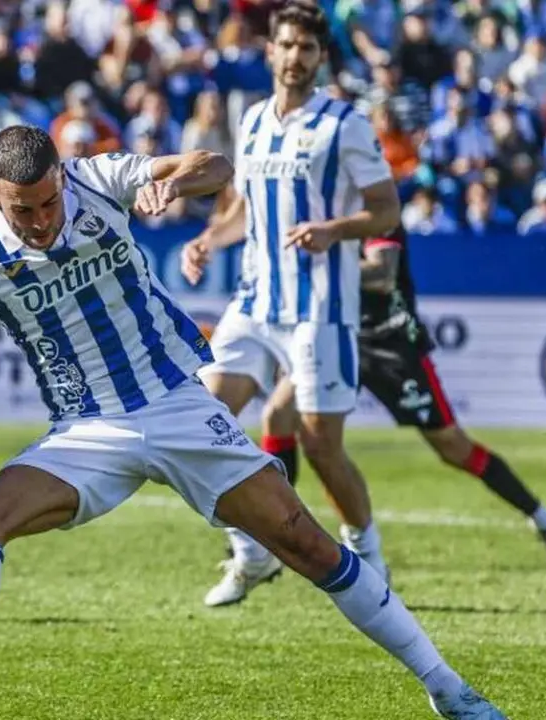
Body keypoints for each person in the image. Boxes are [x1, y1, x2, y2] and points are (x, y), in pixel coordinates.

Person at [0, 125, 507, 720]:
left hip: (177, 403)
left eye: (48, 203)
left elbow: (215, 165)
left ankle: (450, 691)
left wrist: (179, 180)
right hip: (85, 431)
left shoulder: (97, 178)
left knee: (308, 545)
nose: (41, 221)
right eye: (24, 211)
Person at [201, 227, 546, 597]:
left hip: (390, 344)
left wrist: (323, 262)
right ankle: (269, 535)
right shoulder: (320, 203)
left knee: (453, 448)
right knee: (278, 416)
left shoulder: (373, 209)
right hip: (335, 335)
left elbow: (382, 275)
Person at [180, 1, 401, 607]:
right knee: (196, 418)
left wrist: (335, 228)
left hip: (319, 307)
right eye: (286, 46)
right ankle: (251, 552)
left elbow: (386, 209)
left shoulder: (344, 123)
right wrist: (206, 238)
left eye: (306, 48)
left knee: (321, 445)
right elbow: (245, 207)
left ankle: (369, 553)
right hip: (255, 299)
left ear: (320, 57)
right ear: (270, 50)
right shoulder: (251, 120)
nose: (295, 57)